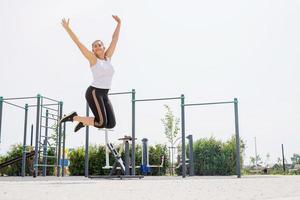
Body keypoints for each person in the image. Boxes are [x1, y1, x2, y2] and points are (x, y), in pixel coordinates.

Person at [59, 15, 121, 132]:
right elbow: (78, 43)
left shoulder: (108, 58)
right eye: (94, 46)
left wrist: (119, 23)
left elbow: (115, 39)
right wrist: (68, 28)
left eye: (99, 45)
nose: (97, 47)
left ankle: (85, 122)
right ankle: (74, 117)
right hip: (94, 92)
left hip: (105, 94)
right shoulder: (93, 60)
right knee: (101, 123)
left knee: (111, 124)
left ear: (103, 47)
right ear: (93, 50)